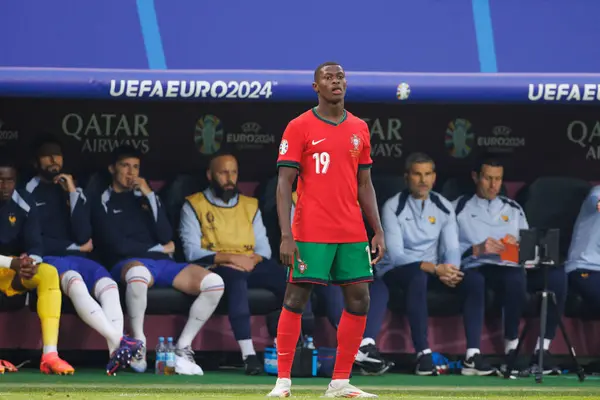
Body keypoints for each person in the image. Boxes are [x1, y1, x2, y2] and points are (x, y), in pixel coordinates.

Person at [267, 61, 386, 398]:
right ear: (315, 86)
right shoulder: (299, 126)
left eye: (340, 77)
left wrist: (376, 229)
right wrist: (286, 234)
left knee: (360, 300)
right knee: (295, 298)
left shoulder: (359, 128)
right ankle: (283, 382)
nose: (336, 82)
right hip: (310, 229)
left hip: (351, 230)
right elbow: (283, 183)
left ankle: (340, 382)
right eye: (328, 78)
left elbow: (365, 184)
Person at [91, 145, 224, 375]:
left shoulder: (147, 197)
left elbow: (165, 234)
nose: (131, 173)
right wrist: (158, 248)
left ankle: (183, 347)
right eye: (125, 166)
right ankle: (138, 343)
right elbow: (115, 244)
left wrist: (150, 195)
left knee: (215, 284)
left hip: (164, 265)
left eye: (135, 167)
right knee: (138, 274)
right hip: (128, 263)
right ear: (112, 168)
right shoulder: (103, 199)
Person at [25, 136, 143, 375]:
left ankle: (115, 354)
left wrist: (71, 193)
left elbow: (83, 234)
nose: (53, 160)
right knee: (76, 284)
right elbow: (35, 240)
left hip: (80, 258)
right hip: (51, 258)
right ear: (36, 162)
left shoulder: (71, 190)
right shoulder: (27, 191)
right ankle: (120, 340)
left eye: (57, 155)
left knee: (109, 285)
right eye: (47, 156)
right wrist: (75, 249)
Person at [455, 156, 565, 375]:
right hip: (476, 265)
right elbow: (446, 251)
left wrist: (522, 248)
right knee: (497, 278)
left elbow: (529, 251)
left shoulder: (513, 208)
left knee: (555, 276)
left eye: (498, 179)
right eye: (488, 178)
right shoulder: (458, 207)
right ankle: (492, 351)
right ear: (476, 177)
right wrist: (477, 249)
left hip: (510, 265)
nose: (494, 185)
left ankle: (534, 350)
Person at [179, 152, 287, 375]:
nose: (229, 178)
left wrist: (250, 261)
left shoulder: (250, 205)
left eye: (234, 172)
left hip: (249, 263)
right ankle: (248, 355)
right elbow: (192, 252)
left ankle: (291, 347)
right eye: (223, 172)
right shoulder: (194, 204)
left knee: (285, 278)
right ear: (210, 175)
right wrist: (230, 259)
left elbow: (264, 250)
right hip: (215, 266)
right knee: (236, 282)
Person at [367, 152, 463, 376]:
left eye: (428, 174)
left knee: (473, 282)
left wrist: (452, 270)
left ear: (434, 177)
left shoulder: (444, 206)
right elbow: (397, 255)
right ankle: (423, 352)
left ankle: (474, 356)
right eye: (417, 174)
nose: (423, 180)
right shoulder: (393, 206)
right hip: (395, 271)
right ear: (406, 177)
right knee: (417, 276)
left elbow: (452, 248)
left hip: (433, 271)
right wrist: (434, 268)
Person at [292, 191, 393, 376]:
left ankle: (365, 344)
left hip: (346, 258)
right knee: (332, 281)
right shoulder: (299, 198)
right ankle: (355, 345)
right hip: (315, 263)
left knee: (377, 285)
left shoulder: (350, 197)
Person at [0, 153, 74, 374]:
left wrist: (31, 262)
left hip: (11, 271)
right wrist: (11, 262)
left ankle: (50, 355)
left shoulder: (24, 202)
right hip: (8, 265)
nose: (4, 185)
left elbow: (36, 244)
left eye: (9, 180)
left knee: (49, 273)